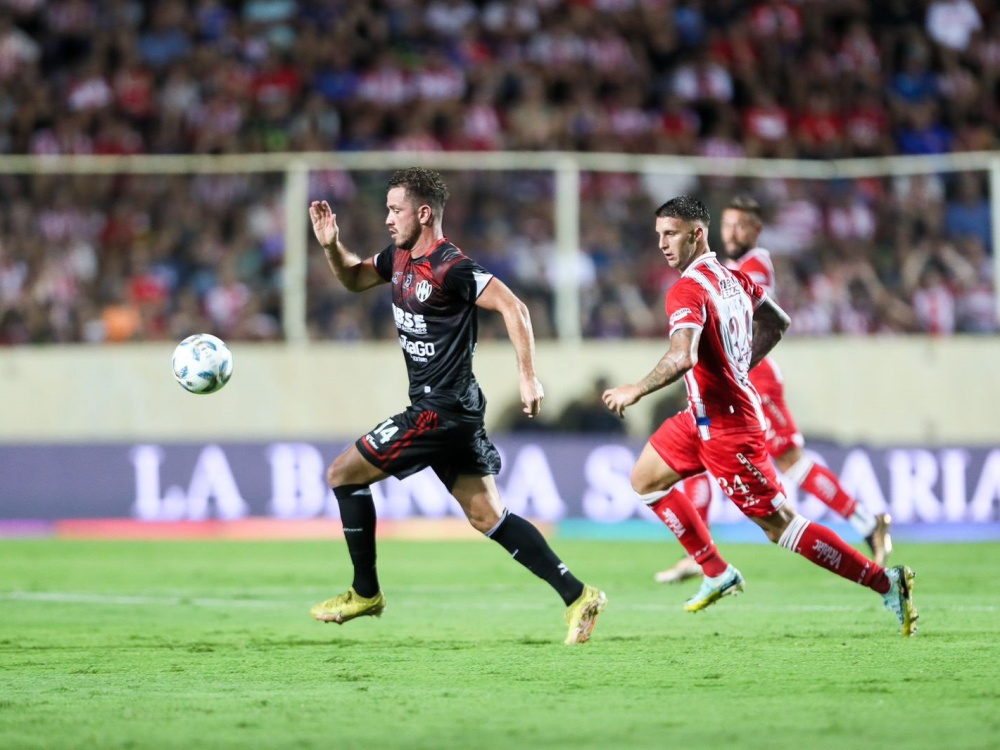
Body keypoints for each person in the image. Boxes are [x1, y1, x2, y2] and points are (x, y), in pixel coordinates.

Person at [307, 167, 607, 645]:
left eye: (396, 210)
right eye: (387, 209)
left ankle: (365, 592)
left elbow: (515, 307)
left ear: (424, 213)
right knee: (488, 516)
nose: (387, 219)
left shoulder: (452, 267)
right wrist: (331, 246)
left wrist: (527, 376)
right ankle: (578, 594)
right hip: (453, 411)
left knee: (343, 474)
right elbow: (354, 279)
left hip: (439, 411)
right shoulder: (397, 258)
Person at [602, 196, 917, 636]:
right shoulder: (733, 279)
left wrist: (635, 389)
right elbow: (776, 322)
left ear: (697, 234)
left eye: (670, 233)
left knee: (781, 526)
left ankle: (885, 581)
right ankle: (716, 571)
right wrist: (738, 366)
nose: (662, 244)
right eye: (659, 235)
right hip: (699, 418)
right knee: (645, 480)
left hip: (730, 429)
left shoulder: (687, 290)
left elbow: (682, 356)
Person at [656, 196, 892, 585]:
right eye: (728, 225)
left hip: (753, 379)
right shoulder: (723, 268)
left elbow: (754, 318)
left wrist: (731, 367)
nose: (733, 233)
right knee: (700, 446)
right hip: (728, 378)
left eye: (741, 225)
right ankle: (699, 554)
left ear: (756, 230)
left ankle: (867, 523)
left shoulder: (754, 264)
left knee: (789, 463)